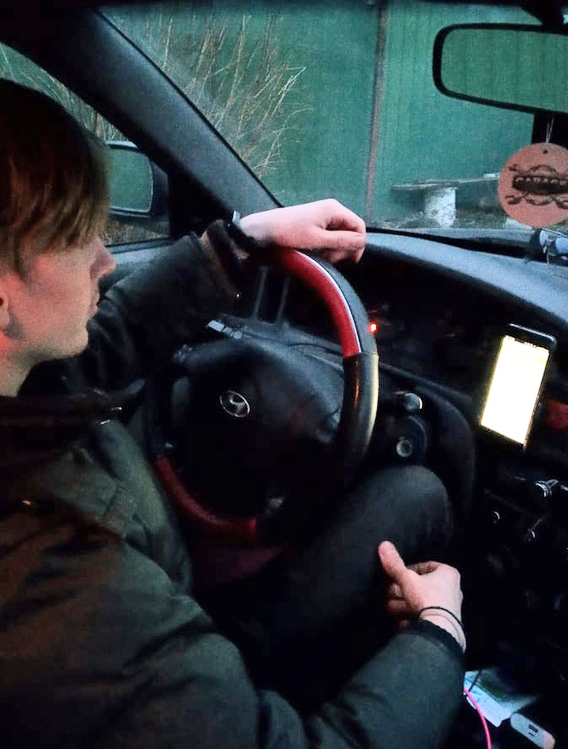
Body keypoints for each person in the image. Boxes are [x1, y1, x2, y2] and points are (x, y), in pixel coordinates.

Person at [0, 79, 465, 748]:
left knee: (415, 493)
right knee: (425, 501)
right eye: (78, 239)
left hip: (167, 603)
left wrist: (241, 242)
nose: (105, 260)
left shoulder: (22, 384)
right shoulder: (53, 591)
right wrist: (439, 635)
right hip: (167, 650)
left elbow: (101, 352)